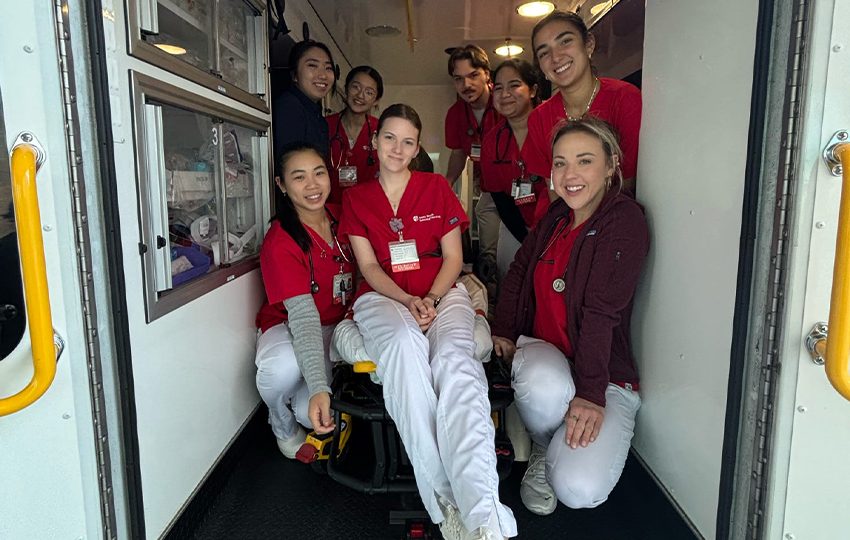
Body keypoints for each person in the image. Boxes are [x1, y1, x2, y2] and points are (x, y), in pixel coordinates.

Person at [340, 104, 516, 540]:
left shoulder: (436, 187)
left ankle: (485, 518)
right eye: (389, 138)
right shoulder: (356, 198)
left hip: (443, 291)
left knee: (457, 364)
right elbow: (368, 266)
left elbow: (454, 257)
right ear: (375, 140)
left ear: (418, 147)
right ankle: (445, 499)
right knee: (403, 347)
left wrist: (432, 297)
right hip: (383, 296)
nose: (397, 148)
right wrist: (409, 300)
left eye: (408, 141)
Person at [492, 118, 649, 516]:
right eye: (560, 163)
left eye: (584, 161)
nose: (570, 175)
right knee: (541, 382)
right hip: (548, 356)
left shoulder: (623, 220)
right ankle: (546, 449)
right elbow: (519, 272)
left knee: (579, 491)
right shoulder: (557, 215)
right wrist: (506, 330)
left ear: (611, 164)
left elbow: (602, 311)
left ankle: (563, 445)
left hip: (604, 374)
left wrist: (592, 396)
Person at [254, 142, 356, 459]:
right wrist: (319, 388)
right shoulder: (281, 240)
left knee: (309, 412)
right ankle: (281, 425)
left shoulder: (346, 219)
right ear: (282, 185)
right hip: (291, 325)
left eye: (319, 173)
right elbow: (303, 319)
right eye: (299, 177)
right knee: (279, 371)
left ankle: (307, 395)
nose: (312, 185)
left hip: (338, 327)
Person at [524, 10, 641, 208]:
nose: (556, 57)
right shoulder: (539, 118)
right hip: (563, 221)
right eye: (544, 53)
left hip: (613, 218)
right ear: (542, 69)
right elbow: (554, 187)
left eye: (565, 41)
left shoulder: (624, 98)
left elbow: (627, 182)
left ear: (589, 45)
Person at [444, 45, 504, 288]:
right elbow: (459, 153)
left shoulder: (505, 102)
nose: (466, 85)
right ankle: (491, 297)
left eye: (473, 75)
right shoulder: (455, 114)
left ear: (487, 74)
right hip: (488, 188)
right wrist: (447, 183)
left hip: (517, 186)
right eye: (458, 79)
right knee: (489, 252)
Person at [479, 59, 544, 283]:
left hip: (556, 223)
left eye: (514, 85)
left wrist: (542, 237)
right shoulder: (491, 142)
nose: (505, 93)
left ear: (533, 90)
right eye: (498, 88)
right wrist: (526, 239)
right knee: (511, 281)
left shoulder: (554, 128)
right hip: (516, 224)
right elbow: (500, 198)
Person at [325, 65, 383, 204]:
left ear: (376, 100)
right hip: (330, 212)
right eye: (356, 87)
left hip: (368, 213)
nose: (360, 95)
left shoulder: (381, 129)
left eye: (369, 92)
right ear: (346, 88)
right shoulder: (325, 125)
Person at [272, 40, 336, 158]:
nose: (323, 75)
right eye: (312, 65)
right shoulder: (289, 107)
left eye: (328, 68)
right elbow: (292, 165)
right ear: (294, 75)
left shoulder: (319, 118)